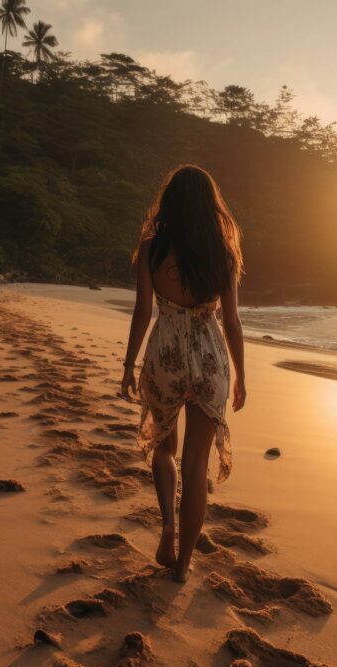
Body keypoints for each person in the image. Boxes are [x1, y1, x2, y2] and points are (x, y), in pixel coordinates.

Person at [120, 164, 246, 582]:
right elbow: (231, 321)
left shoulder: (152, 249)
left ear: (170, 202)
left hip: (166, 357)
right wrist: (241, 375)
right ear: (211, 206)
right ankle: (185, 565)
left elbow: (142, 311)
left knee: (163, 449)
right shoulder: (222, 254)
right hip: (210, 359)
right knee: (196, 466)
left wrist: (128, 364)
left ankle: (168, 528)